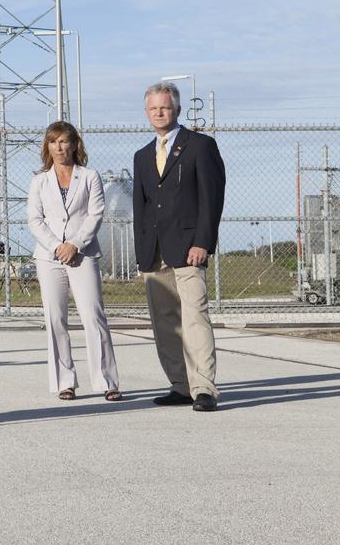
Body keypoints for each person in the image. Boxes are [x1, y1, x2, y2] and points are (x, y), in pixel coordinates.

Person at [133, 80, 226, 412]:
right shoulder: (142, 156)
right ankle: (180, 385)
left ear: (178, 110)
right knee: (165, 321)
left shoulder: (200, 146)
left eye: (165, 107)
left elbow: (211, 199)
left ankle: (204, 388)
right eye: (153, 108)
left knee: (195, 318)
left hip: (188, 249)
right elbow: (140, 207)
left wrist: (203, 241)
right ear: (147, 112)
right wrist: (141, 252)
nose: (159, 113)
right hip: (154, 254)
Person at [26, 121, 121, 401]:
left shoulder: (90, 176)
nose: (59, 147)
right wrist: (57, 246)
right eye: (53, 142)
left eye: (64, 141)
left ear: (74, 144)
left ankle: (107, 381)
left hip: (83, 255)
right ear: (47, 147)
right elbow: (35, 219)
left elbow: (95, 214)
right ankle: (64, 381)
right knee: (56, 319)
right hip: (49, 257)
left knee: (93, 316)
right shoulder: (39, 181)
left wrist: (75, 244)